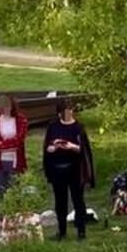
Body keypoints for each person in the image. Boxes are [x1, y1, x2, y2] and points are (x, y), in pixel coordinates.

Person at [43, 97, 95, 242]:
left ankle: (81, 231)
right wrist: (53, 147)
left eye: (69, 111)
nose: (67, 114)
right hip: (57, 169)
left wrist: (72, 147)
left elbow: (84, 150)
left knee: (78, 200)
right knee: (60, 201)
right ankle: (62, 230)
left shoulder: (78, 127)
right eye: (64, 112)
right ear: (59, 113)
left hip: (75, 169)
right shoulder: (53, 126)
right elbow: (47, 147)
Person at [0, 95, 28, 198]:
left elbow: (19, 140)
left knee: (14, 195)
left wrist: (1, 145)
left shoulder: (21, 120)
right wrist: (4, 146)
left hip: (15, 161)